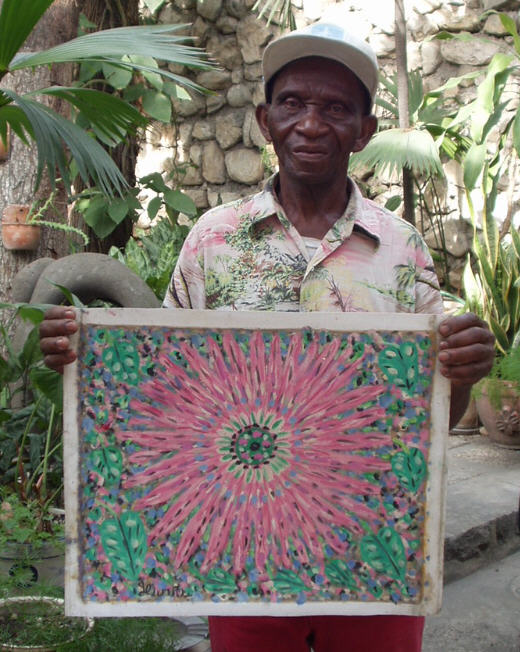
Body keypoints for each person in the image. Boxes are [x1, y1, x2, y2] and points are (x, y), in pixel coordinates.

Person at [40, 22, 494, 652]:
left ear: (364, 130)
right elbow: (162, 386)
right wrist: (86, 358)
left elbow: (431, 415)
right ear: (264, 120)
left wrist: (461, 374)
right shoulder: (212, 239)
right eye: (293, 103)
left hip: (372, 553)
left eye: (336, 109)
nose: (311, 124)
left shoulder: (402, 247)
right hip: (239, 555)